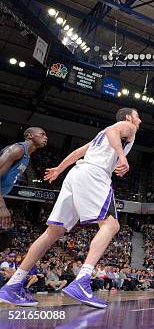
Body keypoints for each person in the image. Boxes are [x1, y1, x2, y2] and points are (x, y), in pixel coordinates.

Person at [0, 107, 140, 308]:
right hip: (95, 174)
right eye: (137, 116)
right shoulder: (128, 127)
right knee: (111, 225)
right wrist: (123, 157)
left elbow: (77, 152)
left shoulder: (100, 137)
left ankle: (12, 285)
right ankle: (82, 280)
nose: (140, 120)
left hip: (76, 173)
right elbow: (112, 130)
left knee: (53, 232)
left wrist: (59, 169)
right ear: (128, 118)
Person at [0, 127, 47, 241]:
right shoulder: (17, 150)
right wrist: (2, 206)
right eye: (42, 134)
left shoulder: (27, 155)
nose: (46, 137)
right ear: (30, 136)